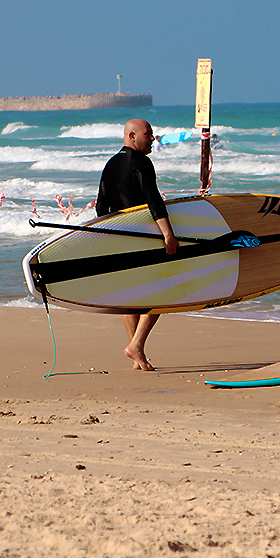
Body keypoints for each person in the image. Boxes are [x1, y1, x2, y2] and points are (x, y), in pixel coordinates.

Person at [96, 118, 180, 370]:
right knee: (166, 290)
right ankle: (136, 346)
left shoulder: (110, 164)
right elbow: (153, 200)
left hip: (118, 238)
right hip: (141, 238)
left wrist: (104, 238)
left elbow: (101, 206)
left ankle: (137, 352)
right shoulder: (142, 163)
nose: (153, 138)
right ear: (132, 136)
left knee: (129, 297)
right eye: (148, 134)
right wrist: (168, 234)